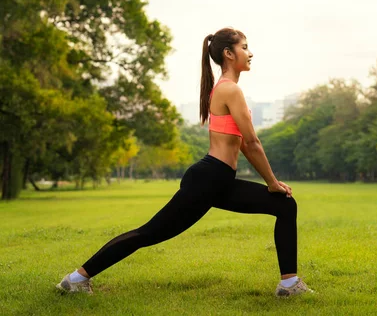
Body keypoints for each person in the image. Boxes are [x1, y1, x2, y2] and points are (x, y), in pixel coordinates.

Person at [56, 27, 313, 297]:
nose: (250, 53)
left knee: (285, 205)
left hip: (218, 180)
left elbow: (244, 146)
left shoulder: (225, 89)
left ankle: (288, 285)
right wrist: (271, 182)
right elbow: (252, 143)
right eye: (245, 47)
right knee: (149, 234)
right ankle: (76, 279)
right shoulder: (230, 90)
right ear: (228, 53)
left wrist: (272, 185)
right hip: (208, 180)